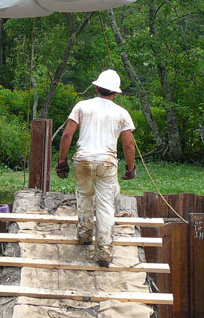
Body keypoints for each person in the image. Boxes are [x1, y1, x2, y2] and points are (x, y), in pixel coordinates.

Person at [55, 69, 136, 266]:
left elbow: (67, 135)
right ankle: (104, 253)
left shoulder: (82, 106)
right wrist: (130, 168)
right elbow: (128, 144)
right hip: (107, 162)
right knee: (106, 205)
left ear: (97, 87)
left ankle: (84, 235)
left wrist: (62, 161)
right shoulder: (122, 113)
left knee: (84, 194)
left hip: (82, 159)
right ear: (115, 93)